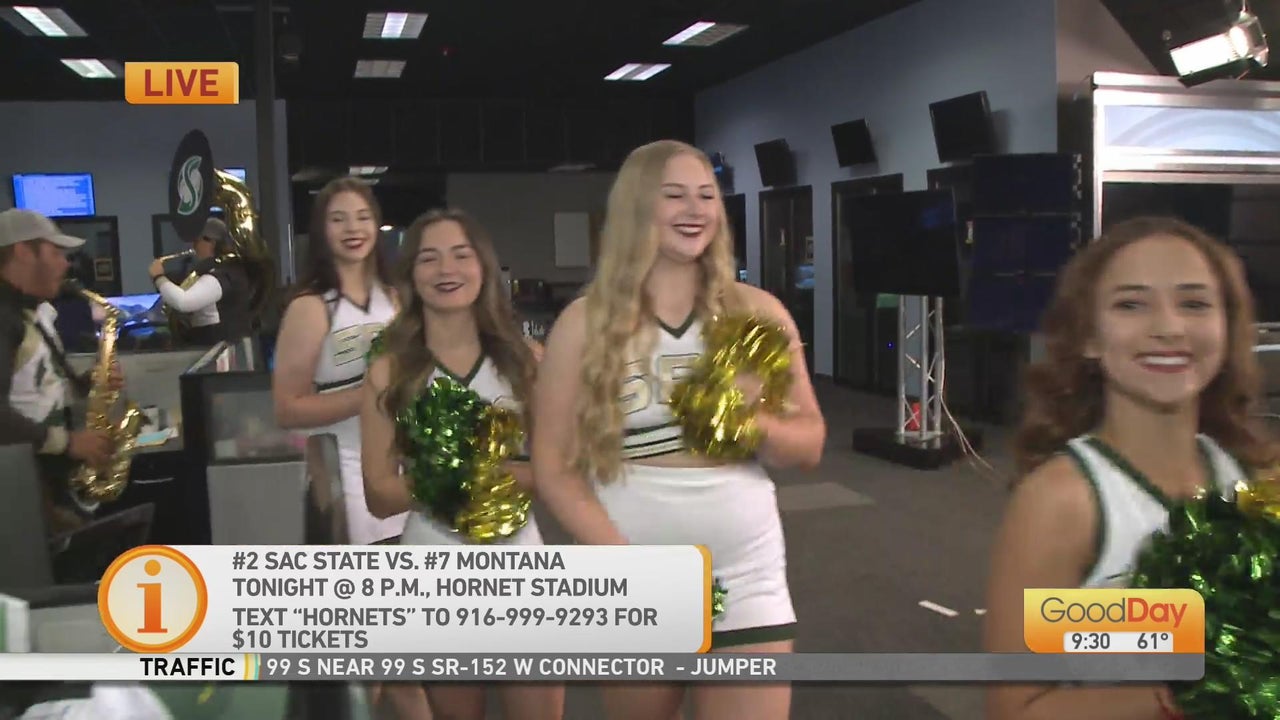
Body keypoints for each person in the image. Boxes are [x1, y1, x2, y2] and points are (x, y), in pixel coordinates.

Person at [530, 140, 826, 720]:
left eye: (706, 195)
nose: (695, 210)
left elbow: (811, 444)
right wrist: (624, 562)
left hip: (745, 572)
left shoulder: (757, 312)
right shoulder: (583, 323)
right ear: (638, 206)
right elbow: (553, 466)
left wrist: (750, 419)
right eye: (674, 196)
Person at [983, 217, 1276, 720]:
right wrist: (1200, 689)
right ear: (1088, 337)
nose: (1168, 327)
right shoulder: (1063, 500)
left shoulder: (1257, 475)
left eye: (1194, 303)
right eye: (1131, 305)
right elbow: (1016, 708)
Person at [362, 209, 559, 720]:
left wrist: (502, 474)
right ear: (411, 275)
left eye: (460, 255)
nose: (446, 269)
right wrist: (450, 475)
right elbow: (378, 494)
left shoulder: (527, 360)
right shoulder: (389, 371)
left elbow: (563, 472)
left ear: (483, 267)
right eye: (429, 258)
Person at [272, 177, 403, 545]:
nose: (352, 229)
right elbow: (287, 410)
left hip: (407, 474)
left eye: (362, 217)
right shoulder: (310, 307)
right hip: (346, 477)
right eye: (338, 219)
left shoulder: (396, 299)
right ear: (321, 231)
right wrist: (370, 395)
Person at [0, 208, 122, 537]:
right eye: (55, 252)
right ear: (23, 252)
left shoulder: (35, 312)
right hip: (20, 491)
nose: (66, 264)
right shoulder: (5, 317)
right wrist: (67, 443)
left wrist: (91, 382)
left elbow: (34, 386)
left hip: (44, 480)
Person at [148, 217, 252, 346]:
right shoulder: (221, 270)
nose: (194, 245)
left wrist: (158, 277)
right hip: (215, 342)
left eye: (197, 240)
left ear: (211, 242)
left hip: (222, 346)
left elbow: (183, 302)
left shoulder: (221, 274)